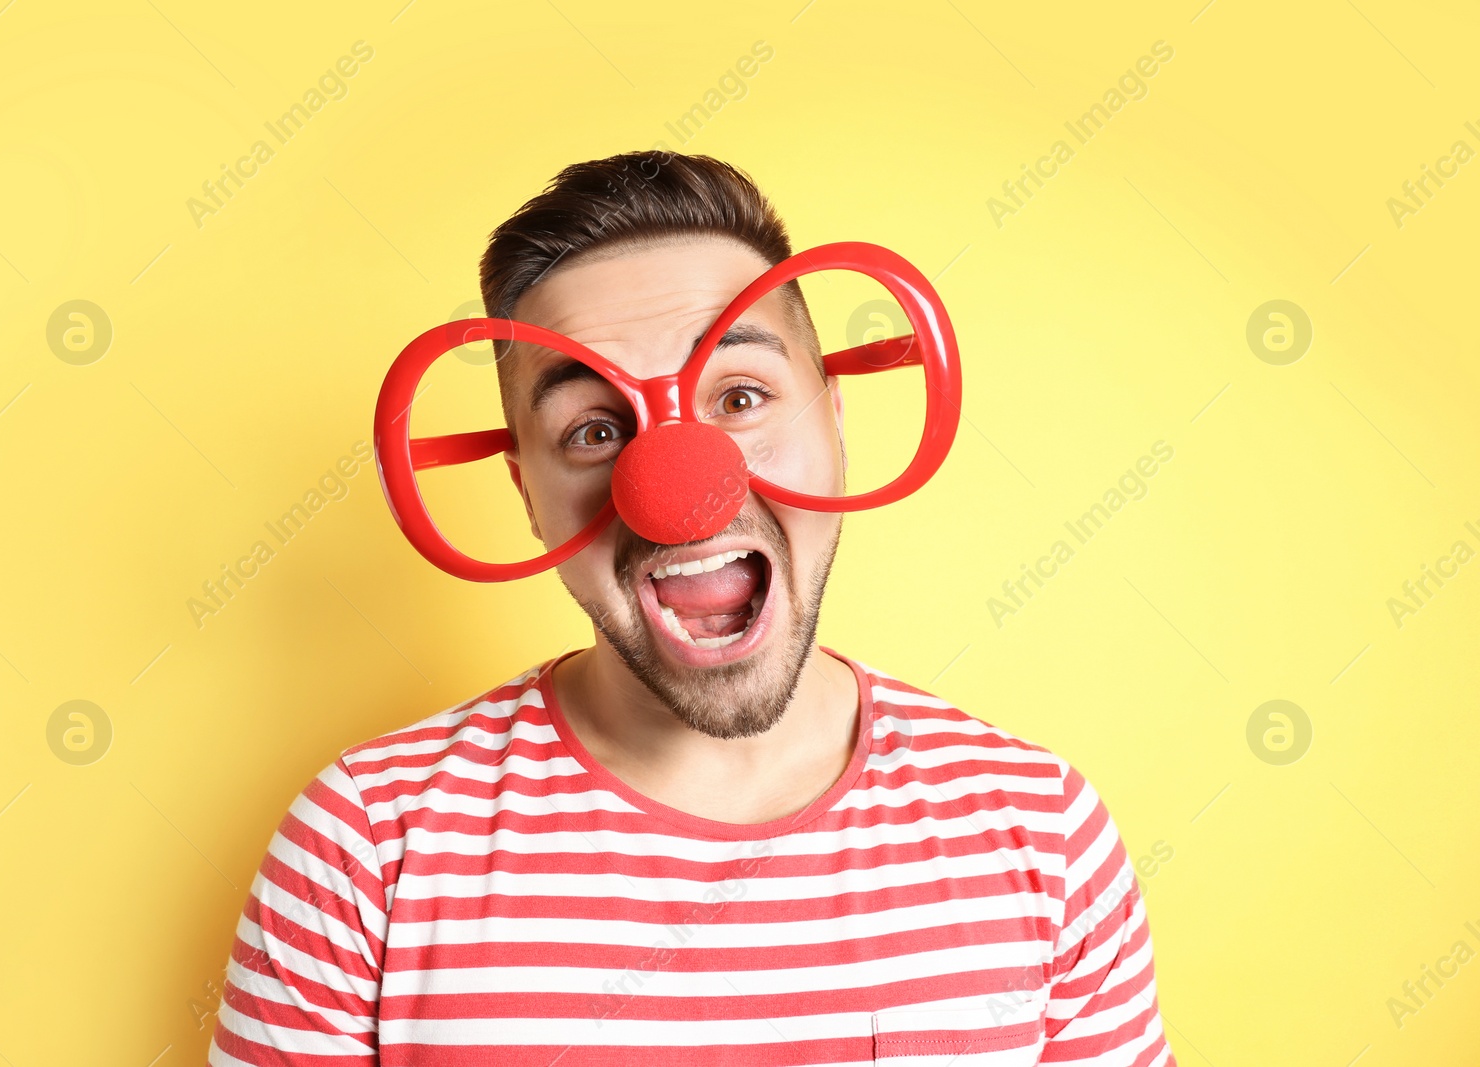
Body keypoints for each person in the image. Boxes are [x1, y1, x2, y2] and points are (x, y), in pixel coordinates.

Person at [207, 151, 1176, 1065]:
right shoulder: (367, 844)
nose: (677, 481)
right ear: (524, 489)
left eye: (742, 395)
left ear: (836, 418)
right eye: (592, 428)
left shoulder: (1037, 830)